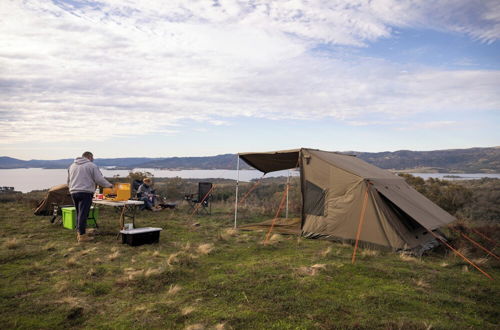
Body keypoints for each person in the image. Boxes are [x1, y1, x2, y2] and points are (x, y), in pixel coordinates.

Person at [68, 151, 113, 242]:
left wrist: (71, 189)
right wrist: (110, 186)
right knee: (83, 214)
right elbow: (99, 179)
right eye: (92, 158)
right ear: (89, 157)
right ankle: (82, 236)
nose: (93, 159)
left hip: (73, 192)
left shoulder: (72, 166)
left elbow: (68, 180)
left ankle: (80, 232)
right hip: (85, 192)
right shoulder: (91, 165)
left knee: (79, 213)